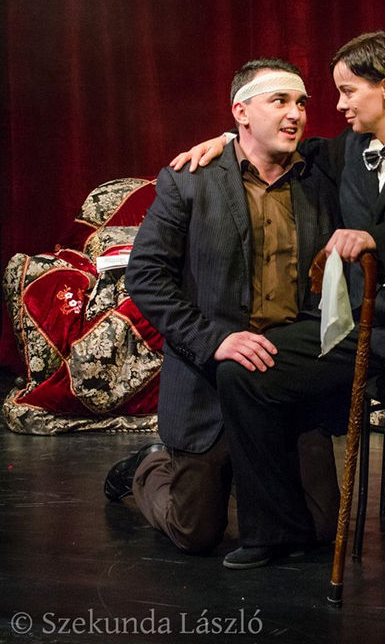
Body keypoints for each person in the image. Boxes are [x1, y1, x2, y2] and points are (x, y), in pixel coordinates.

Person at [173, 31, 385, 598]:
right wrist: (226, 139)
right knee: (245, 371)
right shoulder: (344, 150)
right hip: (355, 327)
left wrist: (374, 238)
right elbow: (271, 142)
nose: (337, 105)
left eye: (348, 90)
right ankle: (274, 530)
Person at [103, 58, 353, 556]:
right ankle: (147, 467)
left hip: (283, 379)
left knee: (321, 526)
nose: (296, 114)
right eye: (279, 101)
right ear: (241, 112)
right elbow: (146, 276)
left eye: (301, 103)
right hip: (210, 383)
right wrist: (214, 340)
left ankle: (249, 477)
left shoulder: (319, 179)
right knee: (195, 532)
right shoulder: (190, 179)